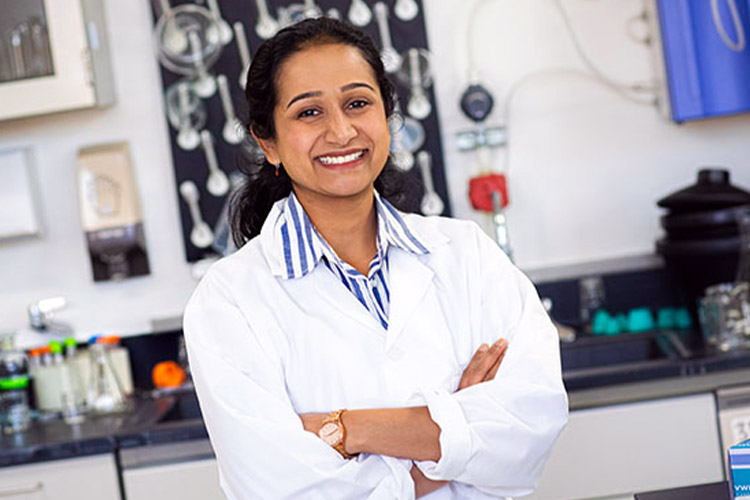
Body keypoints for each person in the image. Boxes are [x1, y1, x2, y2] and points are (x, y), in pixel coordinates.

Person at [183, 17, 568, 500]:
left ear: (387, 118)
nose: (341, 131)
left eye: (358, 103)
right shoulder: (229, 300)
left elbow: (532, 423)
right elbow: (282, 488)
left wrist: (345, 428)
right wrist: (456, 438)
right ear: (269, 143)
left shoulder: (466, 255)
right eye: (309, 113)